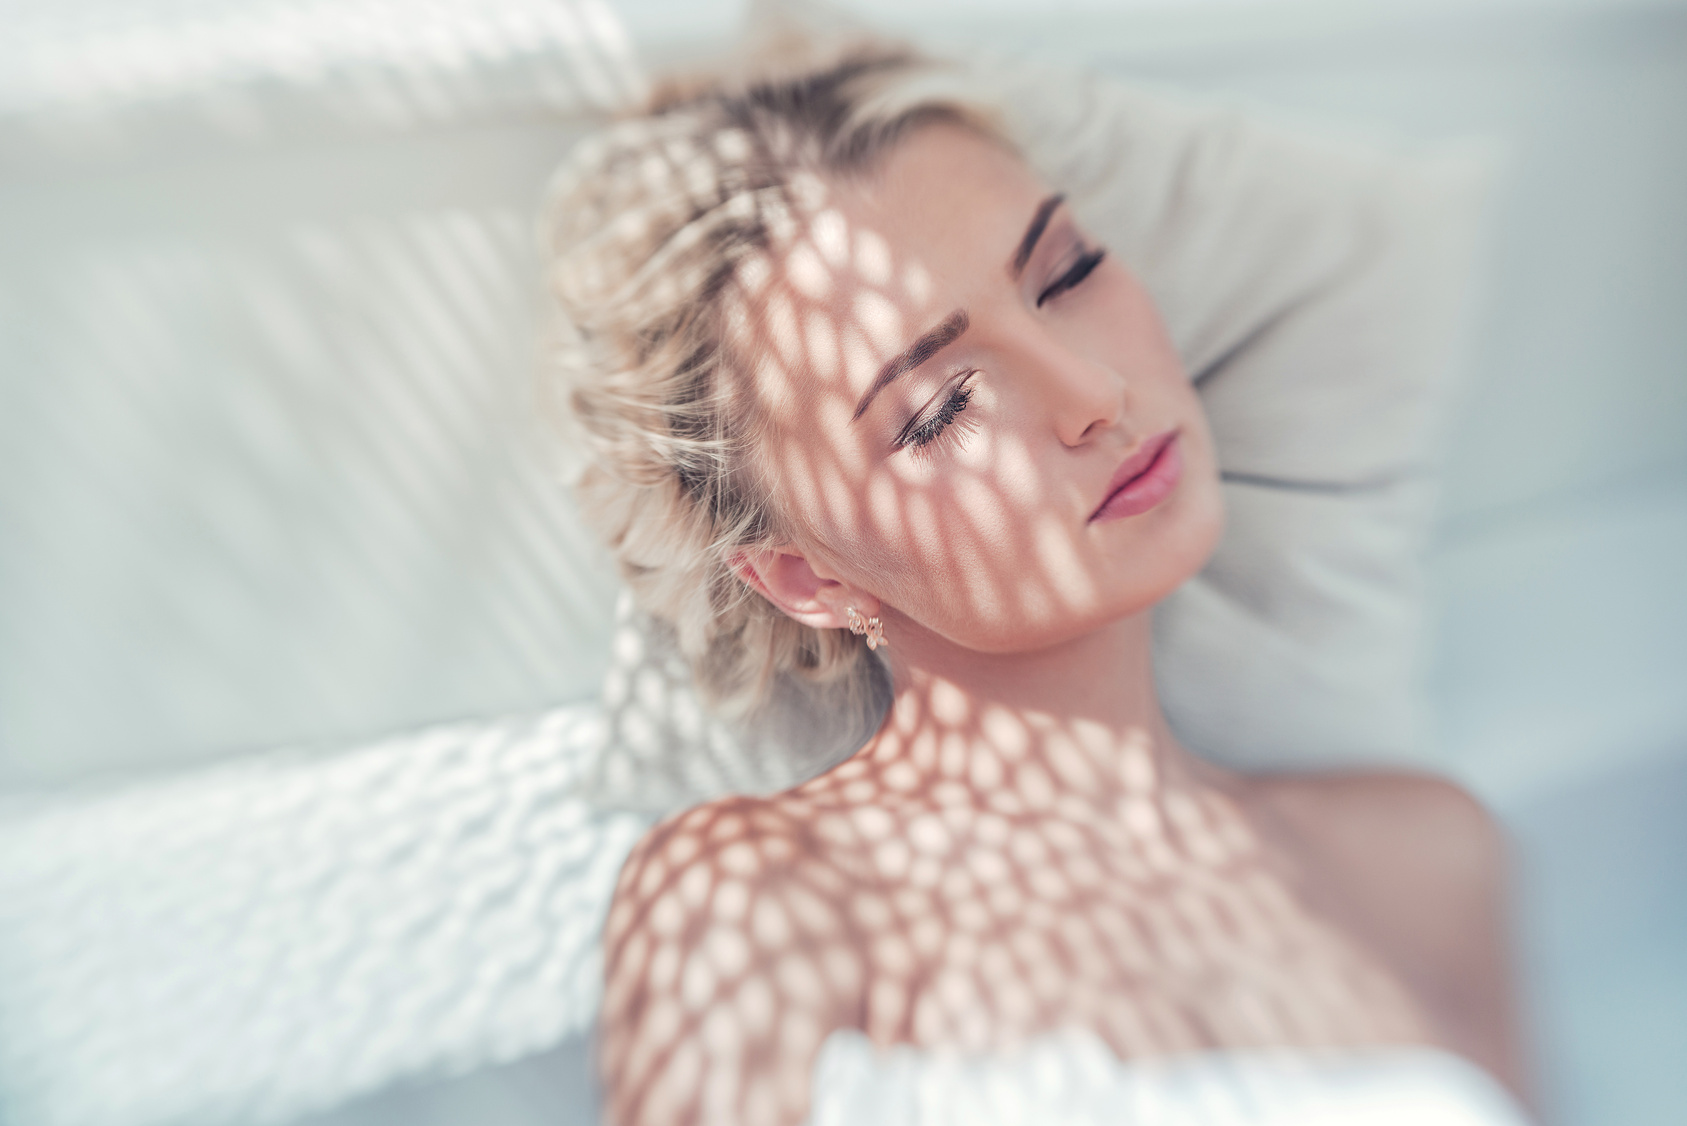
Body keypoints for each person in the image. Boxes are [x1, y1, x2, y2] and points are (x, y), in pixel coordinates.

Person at [543, 44, 1527, 1126]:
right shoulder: (756, 901)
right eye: (940, 408)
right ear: (803, 577)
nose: (1093, 391)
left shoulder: (1420, 856)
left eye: (1066, 275)